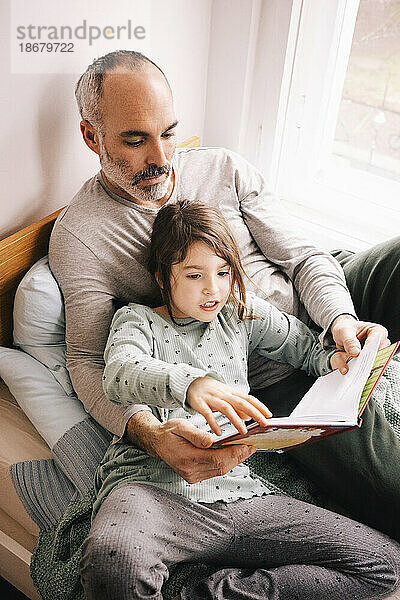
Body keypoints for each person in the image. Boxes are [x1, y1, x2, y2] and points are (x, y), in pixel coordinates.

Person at [48, 49, 400, 540]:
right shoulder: (81, 236)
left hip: (325, 296)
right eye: (136, 141)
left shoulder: (223, 167)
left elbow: (304, 258)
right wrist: (148, 433)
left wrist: (339, 319)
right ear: (92, 136)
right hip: (271, 368)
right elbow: (86, 361)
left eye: (169, 133)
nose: (162, 159)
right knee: (389, 476)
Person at [80, 200, 400, 600]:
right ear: (163, 278)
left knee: (382, 564)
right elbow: (120, 373)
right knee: (112, 563)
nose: (213, 289)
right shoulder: (137, 321)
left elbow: (304, 348)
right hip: (151, 490)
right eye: (194, 275)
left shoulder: (241, 314)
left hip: (237, 494)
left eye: (223, 272)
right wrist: (192, 383)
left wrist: (341, 357)